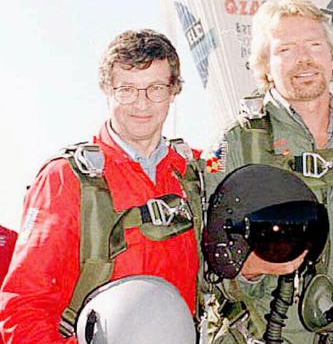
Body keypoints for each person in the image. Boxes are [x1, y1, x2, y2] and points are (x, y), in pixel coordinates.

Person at [203, 0, 333, 344]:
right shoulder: (236, 144)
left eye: (314, 45)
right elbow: (205, 253)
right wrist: (249, 269)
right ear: (265, 67)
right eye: (286, 49)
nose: (304, 59)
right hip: (263, 333)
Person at [0, 29, 205, 344]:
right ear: (107, 90)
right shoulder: (65, 180)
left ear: (174, 91)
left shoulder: (193, 176)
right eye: (127, 89)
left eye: (156, 88)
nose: (142, 103)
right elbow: (23, 305)